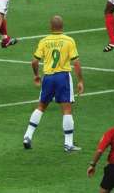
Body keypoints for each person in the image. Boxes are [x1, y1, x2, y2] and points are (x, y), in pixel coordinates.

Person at [22, 15, 84, 152]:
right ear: (62, 27)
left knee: (41, 107)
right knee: (67, 110)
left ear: (51, 27)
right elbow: (76, 63)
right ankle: (68, 144)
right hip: (63, 77)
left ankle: (27, 136)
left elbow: (34, 61)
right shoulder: (69, 41)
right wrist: (80, 81)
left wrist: (36, 75)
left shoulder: (44, 41)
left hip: (48, 77)